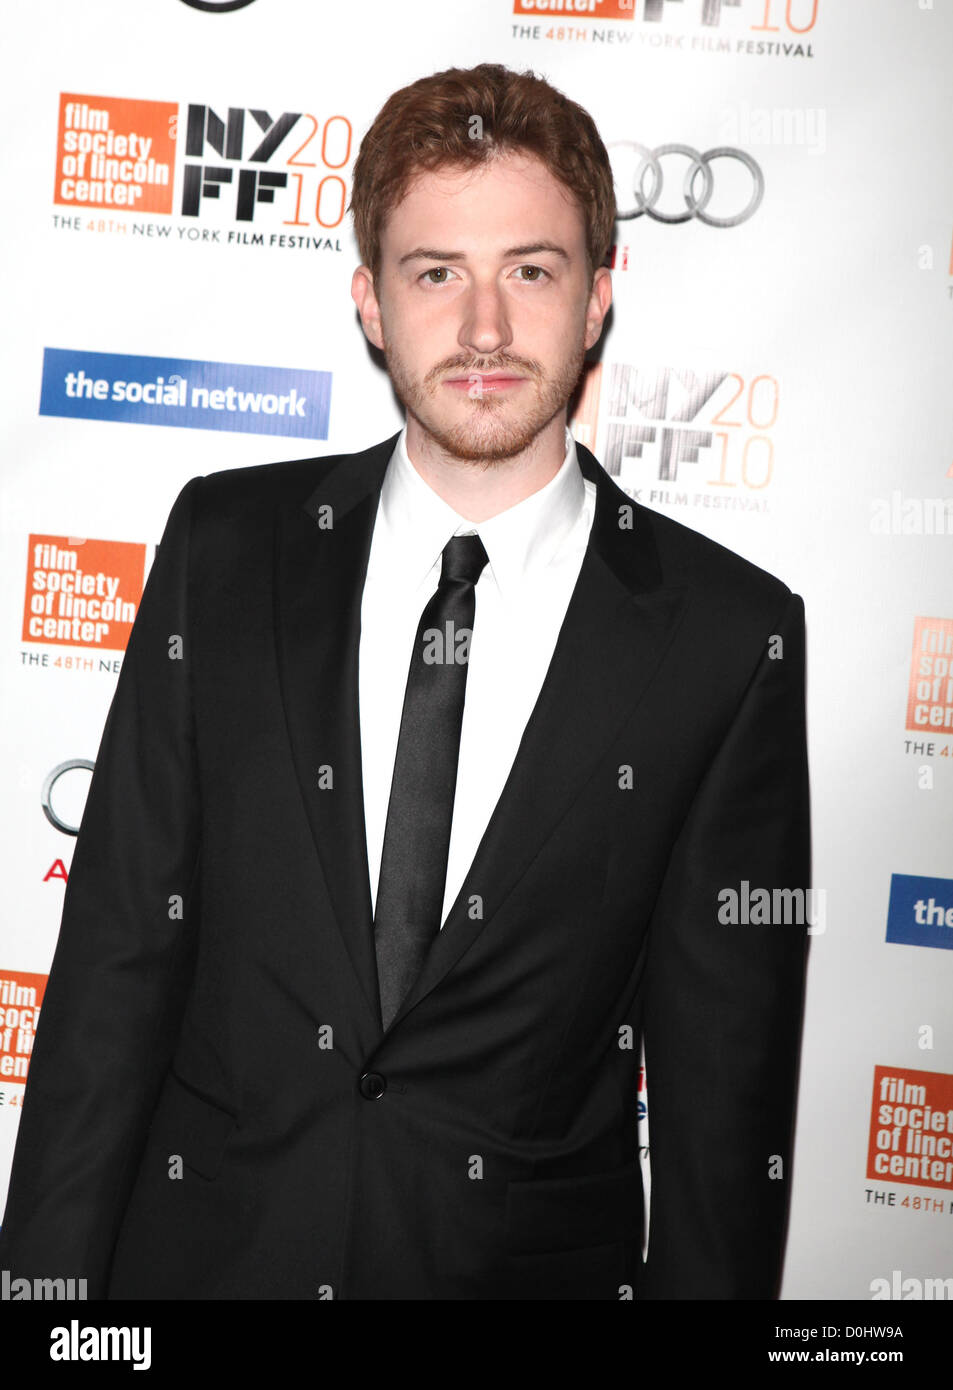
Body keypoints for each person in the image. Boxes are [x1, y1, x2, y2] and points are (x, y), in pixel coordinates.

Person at [0, 63, 809, 1300]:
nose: (483, 330)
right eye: (436, 273)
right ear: (371, 302)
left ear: (597, 298)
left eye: (529, 270)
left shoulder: (723, 637)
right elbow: (115, 967)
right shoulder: (228, 550)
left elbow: (720, 1107)